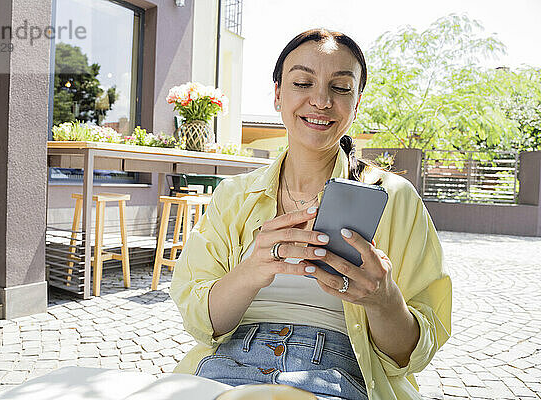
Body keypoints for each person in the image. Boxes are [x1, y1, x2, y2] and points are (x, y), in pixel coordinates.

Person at [169, 28, 452, 400]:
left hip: (340, 371)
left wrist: (383, 299)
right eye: (303, 82)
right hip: (228, 362)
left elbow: (409, 354)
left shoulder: (393, 198)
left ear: (357, 102)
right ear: (277, 94)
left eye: (340, 87)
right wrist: (253, 270)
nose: (320, 100)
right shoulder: (234, 196)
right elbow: (202, 323)